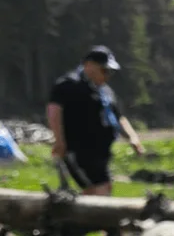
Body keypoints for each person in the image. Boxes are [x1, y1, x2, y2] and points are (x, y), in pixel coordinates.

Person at [47, 45, 145, 197]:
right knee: (99, 190)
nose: (108, 75)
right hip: (78, 150)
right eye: (104, 70)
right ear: (89, 65)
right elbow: (54, 110)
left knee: (101, 189)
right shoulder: (69, 85)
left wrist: (132, 137)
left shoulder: (105, 91)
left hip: (99, 154)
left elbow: (118, 117)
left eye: (111, 71)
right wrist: (59, 141)